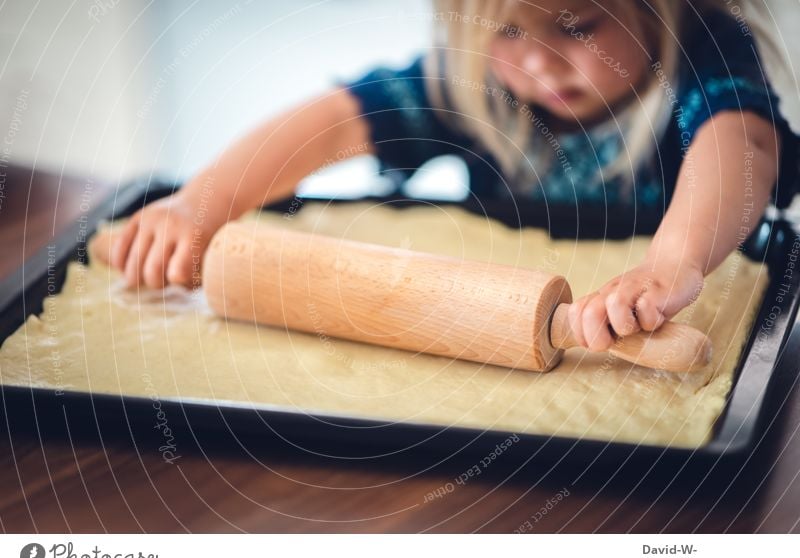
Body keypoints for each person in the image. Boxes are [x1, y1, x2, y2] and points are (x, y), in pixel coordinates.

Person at [111, 0, 796, 353]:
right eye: (507, 33)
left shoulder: (699, 60)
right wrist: (202, 202)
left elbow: (740, 145)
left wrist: (672, 263)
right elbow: (336, 119)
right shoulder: (473, 89)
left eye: (577, 26)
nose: (540, 67)